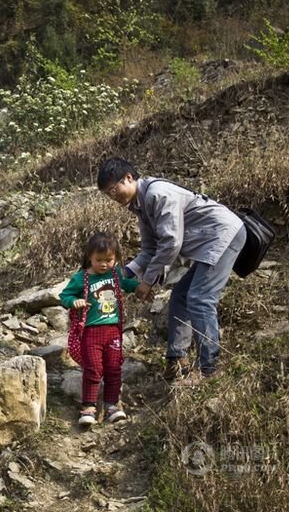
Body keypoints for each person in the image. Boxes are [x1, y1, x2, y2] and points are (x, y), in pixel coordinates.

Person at [97, 157, 245, 381]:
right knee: (181, 295)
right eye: (108, 194)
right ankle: (177, 361)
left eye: (113, 189)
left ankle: (210, 369)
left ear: (128, 178)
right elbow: (150, 249)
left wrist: (147, 282)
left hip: (222, 236)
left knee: (200, 298)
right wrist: (125, 274)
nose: (113, 196)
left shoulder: (158, 194)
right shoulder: (141, 206)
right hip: (208, 243)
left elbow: (171, 243)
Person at [59, 232, 139, 427]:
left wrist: (140, 287)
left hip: (113, 331)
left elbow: (127, 284)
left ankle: (112, 405)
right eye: (99, 260)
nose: (104, 264)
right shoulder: (82, 278)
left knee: (113, 369)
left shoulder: (116, 274)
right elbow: (64, 295)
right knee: (93, 369)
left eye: (109, 260)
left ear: (116, 259)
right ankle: (88, 407)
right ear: (89, 258)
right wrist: (74, 301)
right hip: (91, 332)